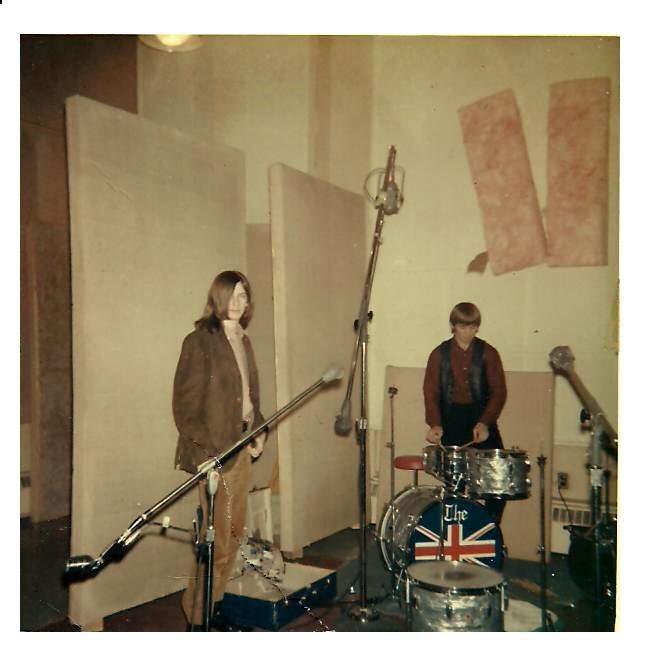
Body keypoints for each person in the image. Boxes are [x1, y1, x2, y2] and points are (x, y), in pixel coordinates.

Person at [173, 270, 265, 630]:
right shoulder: (199, 341)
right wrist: (207, 456)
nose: (240, 302)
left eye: (245, 296)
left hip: (241, 447)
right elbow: (185, 409)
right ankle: (199, 620)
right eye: (234, 295)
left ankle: (212, 606)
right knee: (217, 540)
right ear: (218, 297)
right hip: (215, 454)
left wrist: (259, 430)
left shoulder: (243, 340)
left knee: (234, 534)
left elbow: (250, 397)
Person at [423, 302, 507, 524]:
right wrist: (435, 424)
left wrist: (485, 423)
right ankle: (460, 533)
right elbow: (430, 391)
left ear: (477, 327)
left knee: (497, 481)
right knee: (456, 486)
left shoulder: (489, 353)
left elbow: (499, 392)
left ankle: (488, 529)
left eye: (472, 327)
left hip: (481, 417)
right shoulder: (439, 354)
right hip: (451, 419)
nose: (468, 332)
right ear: (453, 326)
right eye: (462, 327)